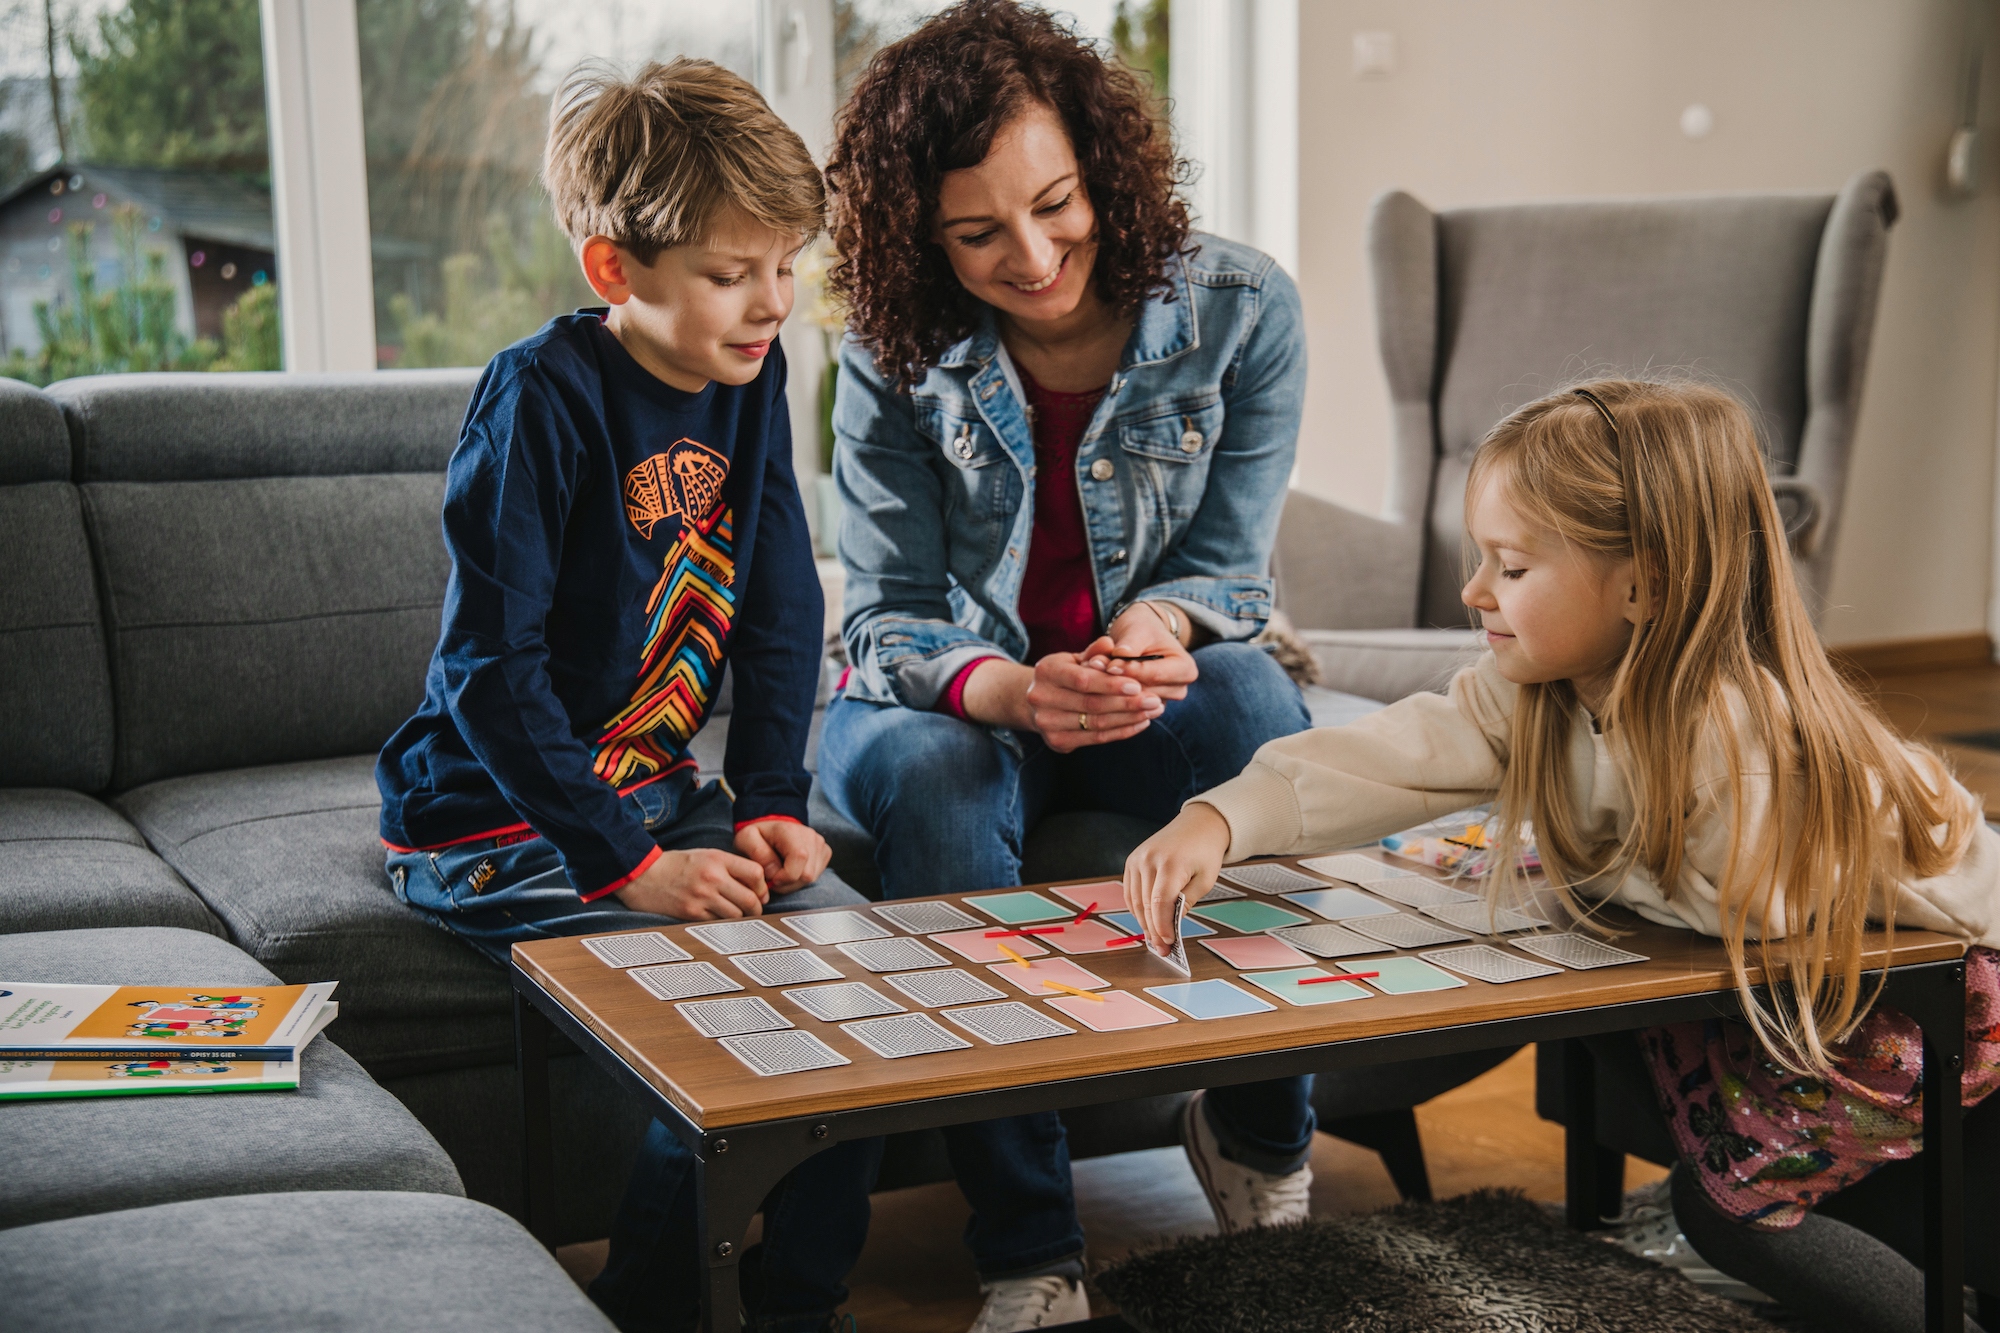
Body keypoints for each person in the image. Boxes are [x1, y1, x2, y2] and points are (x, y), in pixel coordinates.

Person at [1128, 377, 2000, 1333]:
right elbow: (1389, 755)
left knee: (1736, 1215)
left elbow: (1762, 908)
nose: (1473, 592)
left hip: (1919, 996)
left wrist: (1568, 864)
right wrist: (1222, 817)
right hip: (1798, 990)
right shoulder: (1539, 690)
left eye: (1510, 567)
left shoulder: (1735, 742)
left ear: (1645, 584)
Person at [818, 3, 1317, 1327]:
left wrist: (1158, 636)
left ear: (1102, 164)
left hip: (1140, 684)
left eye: (1055, 204)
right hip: (949, 701)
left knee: (1262, 706)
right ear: (917, 234)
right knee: (934, 773)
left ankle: (1263, 1137)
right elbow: (885, 618)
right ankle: (1029, 1251)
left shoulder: (1244, 307)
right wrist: (1012, 686)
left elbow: (1230, 573)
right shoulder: (886, 349)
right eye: (977, 233)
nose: (1033, 256)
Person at [374, 59, 877, 1333]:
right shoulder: (534, 404)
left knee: (859, 989)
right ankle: (651, 1312)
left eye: (784, 265)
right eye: (729, 273)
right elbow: (488, 672)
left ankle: (797, 1306)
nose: (770, 303)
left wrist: (768, 795)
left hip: (659, 795)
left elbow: (779, 601)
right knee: (712, 1029)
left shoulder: (751, 376)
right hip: (496, 819)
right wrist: (624, 863)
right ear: (615, 271)